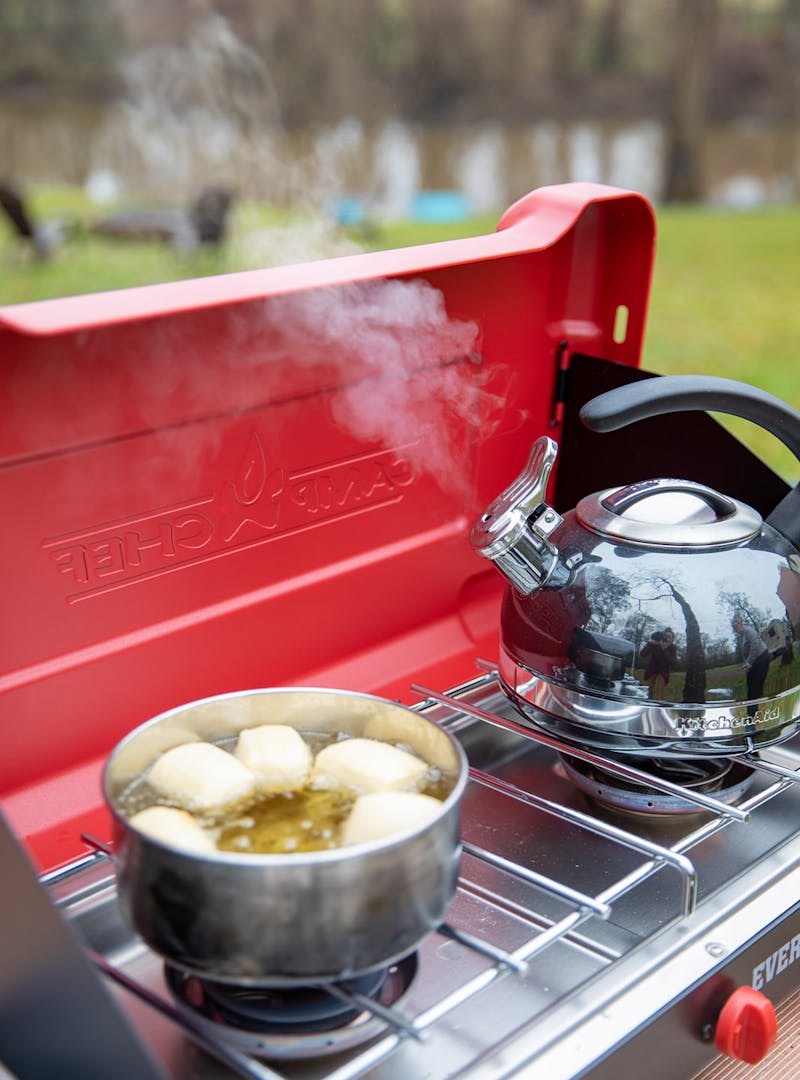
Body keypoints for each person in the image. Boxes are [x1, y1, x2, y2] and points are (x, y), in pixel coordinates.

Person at [732, 615, 771, 703]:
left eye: (736, 626)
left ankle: (756, 705)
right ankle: (754, 704)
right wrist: (746, 664)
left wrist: (748, 664)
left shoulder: (748, 631)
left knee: (755, 687)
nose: (735, 629)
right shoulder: (743, 635)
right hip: (755, 661)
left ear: (740, 624)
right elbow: (746, 651)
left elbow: (755, 646)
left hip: (761, 658)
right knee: (750, 683)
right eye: (734, 627)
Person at [640, 627, 677, 700]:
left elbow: (672, 662)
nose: (668, 639)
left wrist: (664, 649)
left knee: (659, 691)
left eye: (670, 637)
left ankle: (658, 705)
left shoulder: (672, 648)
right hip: (651, 671)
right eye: (666, 636)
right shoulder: (655, 644)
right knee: (648, 690)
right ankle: (647, 704)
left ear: (673, 639)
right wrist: (650, 643)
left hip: (663, 673)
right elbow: (643, 654)